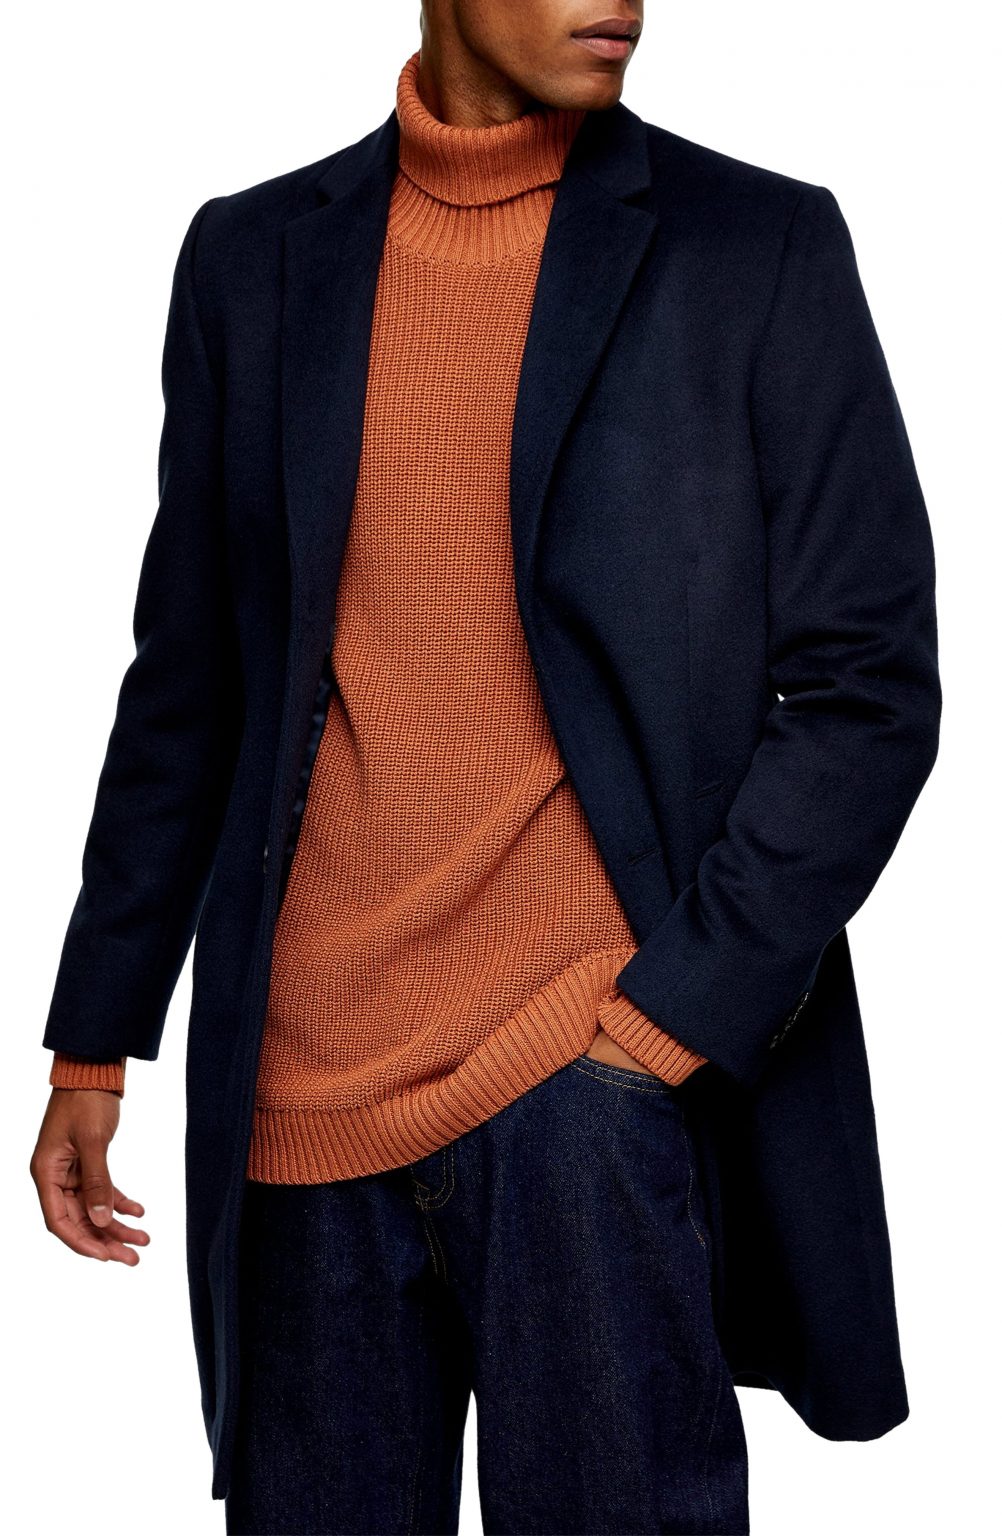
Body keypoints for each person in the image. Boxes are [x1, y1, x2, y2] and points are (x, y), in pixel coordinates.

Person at [30, 3, 941, 1533]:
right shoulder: (253, 258)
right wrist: (93, 1041)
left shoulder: (751, 247)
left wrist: (661, 1026)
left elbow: (866, 690)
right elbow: (189, 683)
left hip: (584, 1093)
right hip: (297, 1113)